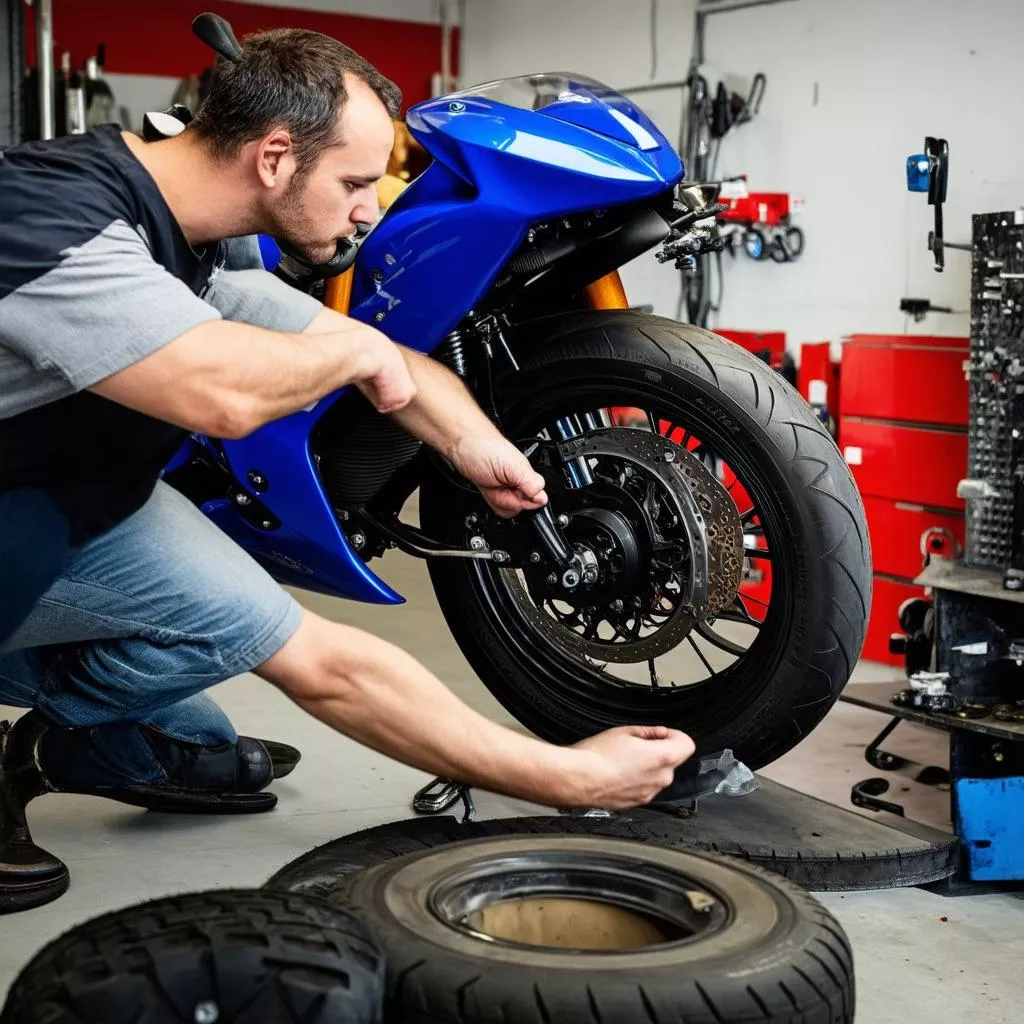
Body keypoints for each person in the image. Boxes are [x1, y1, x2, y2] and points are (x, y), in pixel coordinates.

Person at [0, 29, 694, 827]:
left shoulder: (204, 240)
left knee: (208, 727)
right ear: (274, 156)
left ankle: (36, 750)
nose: (369, 209)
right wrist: (355, 354)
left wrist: (473, 445)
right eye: (357, 182)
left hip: (80, 505)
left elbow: (331, 666)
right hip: (18, 518)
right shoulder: (48, 214)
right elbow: (218, 391)